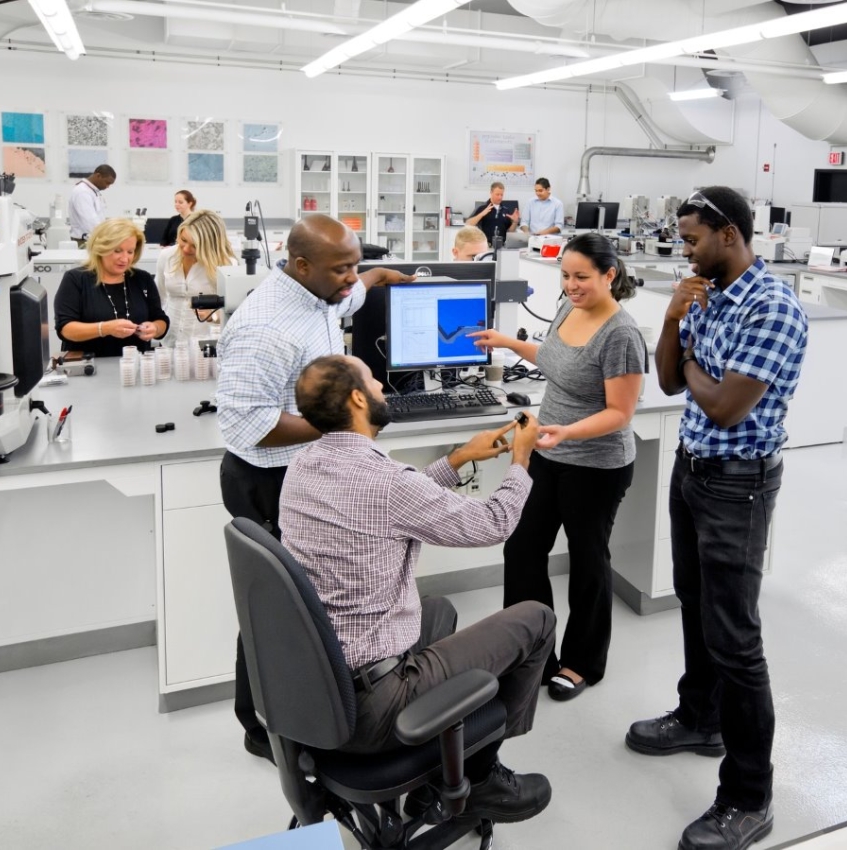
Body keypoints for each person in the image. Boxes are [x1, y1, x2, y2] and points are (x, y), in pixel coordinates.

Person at [279, 354, 555, 824]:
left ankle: (444, 769)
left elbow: (388, 506)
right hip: (373, 707)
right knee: (537, 620)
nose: (385, 391)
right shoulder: (387, 482)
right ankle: (482, 774)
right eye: (375, 382)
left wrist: (460, 457)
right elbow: (493, 523)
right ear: (357, 398)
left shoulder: (302, 467)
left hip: (317, 686)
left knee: (438, 609)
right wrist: (521, 459)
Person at [625, 187, 807, 850]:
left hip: (739, 486)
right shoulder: (702, 295)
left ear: (729, 234)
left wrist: (702, 370)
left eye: (693, 239)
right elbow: (672, 383)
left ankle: (748, 797)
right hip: (692, 469)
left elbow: (728, 407)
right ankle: (700, 718)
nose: (685, 250)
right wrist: (673, 320)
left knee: (735, 638)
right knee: (698, 610)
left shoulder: (773, 307)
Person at [216, 214, 413, 763]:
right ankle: (261, 725)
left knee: (314, 598)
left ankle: (312, 707)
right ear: (301, 265)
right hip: (268, 479)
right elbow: (248, 423)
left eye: (355, 265)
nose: (351, 278)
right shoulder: (264, 328)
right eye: (342, 268)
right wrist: (345, 422)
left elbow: (343, 302)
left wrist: (374, 279)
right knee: (280, 606)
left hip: (303, 471)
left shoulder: (318, 293)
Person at [468, 232, 647, 703]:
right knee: (522, 551)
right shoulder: (570, 309)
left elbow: (620, 413)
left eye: (582, 277)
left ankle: (583, 663)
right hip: (548, 452)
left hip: (596, 465)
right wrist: (505, 341)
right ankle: (531, 651)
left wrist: (568, 431)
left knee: (589, 563)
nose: (571, 285)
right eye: (566, 275)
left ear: (610, 275)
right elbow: (553, 359)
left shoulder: (621, 335)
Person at [53, 218, 169, 357]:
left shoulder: (142, 279)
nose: (125, 259)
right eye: (117, 251)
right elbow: (66, 329)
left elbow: (160, 319)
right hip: (89, 367)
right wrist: (105, 328)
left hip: (135, 366)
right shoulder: (76, 279)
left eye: (130, 252)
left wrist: (155, 328)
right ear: (101, 248)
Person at [155, 208, 235, 348]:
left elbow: (235, 313)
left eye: (195, 246)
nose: (186, 249)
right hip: (168, 342)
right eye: (183, 240)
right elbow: (158, 299)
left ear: (209, 246)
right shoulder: (166, 256)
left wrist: (214, 316)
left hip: (206, 347)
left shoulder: (226, 265)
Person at [68, 164, 116, 246]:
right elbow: (89, 221)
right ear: (98, 176)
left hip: (94, 239)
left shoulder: (92, 192)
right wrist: (107, 238)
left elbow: (98, 217)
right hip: (84, 241)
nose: (107, 187)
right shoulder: (82, 192)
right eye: (107, 183)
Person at [466, 181, 518, 246]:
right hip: (485, 246)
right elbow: (468, 224)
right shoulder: (482, 208)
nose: (500, 197)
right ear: (491, 192)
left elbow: (510, 232)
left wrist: (515, 222)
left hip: (502, 247)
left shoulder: (506, 210)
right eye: (497, 194)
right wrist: (482, 214)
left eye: (502, 195)